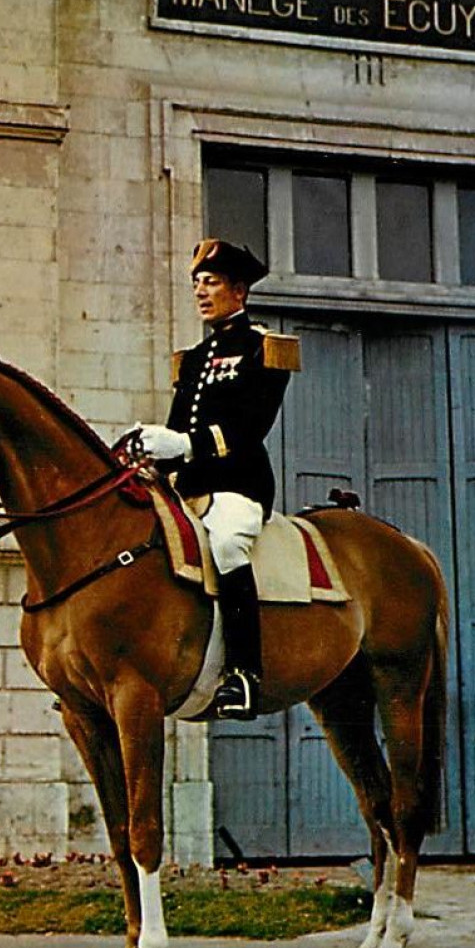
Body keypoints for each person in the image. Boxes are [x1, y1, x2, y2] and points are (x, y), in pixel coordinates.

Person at [134, 239, 300, 719]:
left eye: (211, 283)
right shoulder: (193, 359)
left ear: (239, 291)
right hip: (187, 487)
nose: (201, 292)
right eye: (196, 284)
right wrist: (152, 456)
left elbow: (251, 428)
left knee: (227, 543)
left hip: (237, 484)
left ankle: (244, 675)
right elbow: (176, 425)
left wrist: (185, 446)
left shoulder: (265, 348)